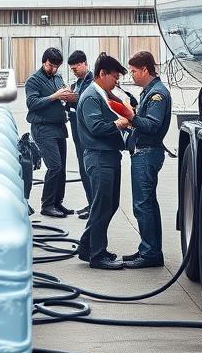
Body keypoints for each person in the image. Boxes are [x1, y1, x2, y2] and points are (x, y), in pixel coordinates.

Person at [76, 53, 131, 270]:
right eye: (115, 77)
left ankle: (88, 246)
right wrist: (120, 124)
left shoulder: (101, 94)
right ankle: (97, 255)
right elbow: (95, 127)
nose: (117, 81)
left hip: (108, 155)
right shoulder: (91, 96)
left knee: (110, 203)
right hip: (99, 157)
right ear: (102, 74)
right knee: (101, 205)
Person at [121, 50, 173, 269]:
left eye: (134, 71)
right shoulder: (149, 91)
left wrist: (131, 117)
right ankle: (148, 249)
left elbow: (152, 125)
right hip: (144, 151)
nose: (131, 75)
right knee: (146, 204)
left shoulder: (157, 94)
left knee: (143, 205)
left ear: (145, 69)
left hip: (147, 153)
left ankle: (151, 253)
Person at [25, 46, 74, 219]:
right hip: (43, 128)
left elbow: (61, 96)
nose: (53, 69)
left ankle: (57, 202)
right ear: (44, 61)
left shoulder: (58, 77)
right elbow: (32, 103)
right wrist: (54, 96)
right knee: (55, 166)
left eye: (56, 66)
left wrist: (67, 96)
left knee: (62, 169)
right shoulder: (33, 81)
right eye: (50, 65)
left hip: (59, 126)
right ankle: (47, 204)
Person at [66, 50, 94, 219]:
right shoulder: (77, 83)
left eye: (76, 67)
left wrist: (73, 98)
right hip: (77, 134)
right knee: (83, 170)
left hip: (87, 134)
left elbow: (86, 100)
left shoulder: (91, 82)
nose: (74, 70)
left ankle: (94, 207)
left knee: (90, 171)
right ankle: (90, 202)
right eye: (72, 68)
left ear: (84, 63)